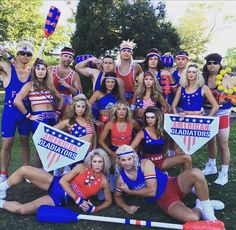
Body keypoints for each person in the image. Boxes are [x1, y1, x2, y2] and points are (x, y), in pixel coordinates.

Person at [114, 145, 217, 222]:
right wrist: (126, 207)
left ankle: (208, 211)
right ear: (119, 161)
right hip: (164, 198)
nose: (127, 163)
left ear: (133, 158)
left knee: (196, 173)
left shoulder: (145, 163)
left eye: (129, 159)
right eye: (123, 160)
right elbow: (117, 196)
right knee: (192, 218)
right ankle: (199, 205)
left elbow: (151, 191)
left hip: (172, 184)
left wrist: (130, 192)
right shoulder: (121, 179)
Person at [0, 148, 112, 215]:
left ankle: (1, 203)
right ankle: (2, 188)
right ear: (91, 162)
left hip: (59, 199)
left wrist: (95, 209)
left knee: (22, 210)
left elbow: (108, 201)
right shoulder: (81, 167)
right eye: (95, 161)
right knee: (24, 170)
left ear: (104, 163)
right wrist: (78, 200)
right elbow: (63, 181)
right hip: (55, 183)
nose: (97, 165)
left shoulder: (104, 182)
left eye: (100, 162)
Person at [14, 59, 64, 167]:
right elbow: (17, 101)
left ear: (46, 71)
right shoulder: (30, 85)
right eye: (38, 69)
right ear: (34, 71)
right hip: (40, 118)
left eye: (43, 69)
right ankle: (37, 176)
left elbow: (61, 99)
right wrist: (29, 116)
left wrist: (58, 112)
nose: (40, 71)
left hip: (52, 118)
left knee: (52, 148)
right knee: (40, 149)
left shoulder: (49, 85)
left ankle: (49, 175)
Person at [0, 39, 34, 182]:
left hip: (25, 112)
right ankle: (3, 174)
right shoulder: (7, 68)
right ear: (17, 53)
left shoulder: (32, 71)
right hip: (10, 112)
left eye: (28, 54)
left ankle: (26, 171)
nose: (25, 56)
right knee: (7, 144)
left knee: (25, 141)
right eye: (22, 53)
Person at [202, 53, 236, 186]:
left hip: (222, 113)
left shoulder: (227, 78)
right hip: (207, 112)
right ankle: (211, 166)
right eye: (209, 63)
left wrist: (231, 98)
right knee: (210, 141)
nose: (211, 65)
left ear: (219, 64)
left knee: (223, 143)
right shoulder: (203, 78)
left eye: (214, 63)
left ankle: (224, 172)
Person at [48, 47, 83, 119]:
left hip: (66, 105)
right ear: (61, 56)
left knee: (66, 127)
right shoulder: (50, 69)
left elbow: (80, 94)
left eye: (70, 57)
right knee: (50, 126)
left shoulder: (74, 74)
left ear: (72, 60)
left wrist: (68, 86)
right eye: (65, 56)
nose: (67, 59)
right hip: (51, 101)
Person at [115, 40, 143, 104]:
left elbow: (144, 82)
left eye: (128, 51)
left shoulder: (136, 66)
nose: (126, 53)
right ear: (120, 52)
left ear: (131, 53)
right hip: (117, 100)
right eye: (124, 50)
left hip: (132, 99)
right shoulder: (114, 67)